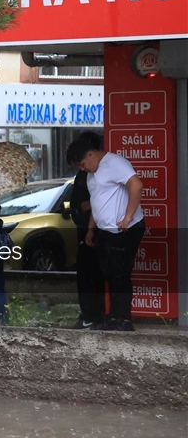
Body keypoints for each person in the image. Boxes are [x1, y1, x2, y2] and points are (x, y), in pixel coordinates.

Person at [66, 137, 145, 331]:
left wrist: (128, 216)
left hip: (124, 229)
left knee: (119, 274)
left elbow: (136, 185)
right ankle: (114, 317)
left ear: (91, 154)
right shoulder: (92, 174)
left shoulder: (115, 163)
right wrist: (91, 230)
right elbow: (97, 203)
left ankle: (123, 319)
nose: (82, 169)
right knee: (108, 272)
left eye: (82, 164)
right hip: (105, 230)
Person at [66, 131, 105, 329]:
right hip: (87, 230)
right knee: (88, 274)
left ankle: (93, 315)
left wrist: (92, 204)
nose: (82, 167)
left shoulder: (97, 172)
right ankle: (91, 314)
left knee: (91, 275)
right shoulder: (86, 173)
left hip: (95, 231)